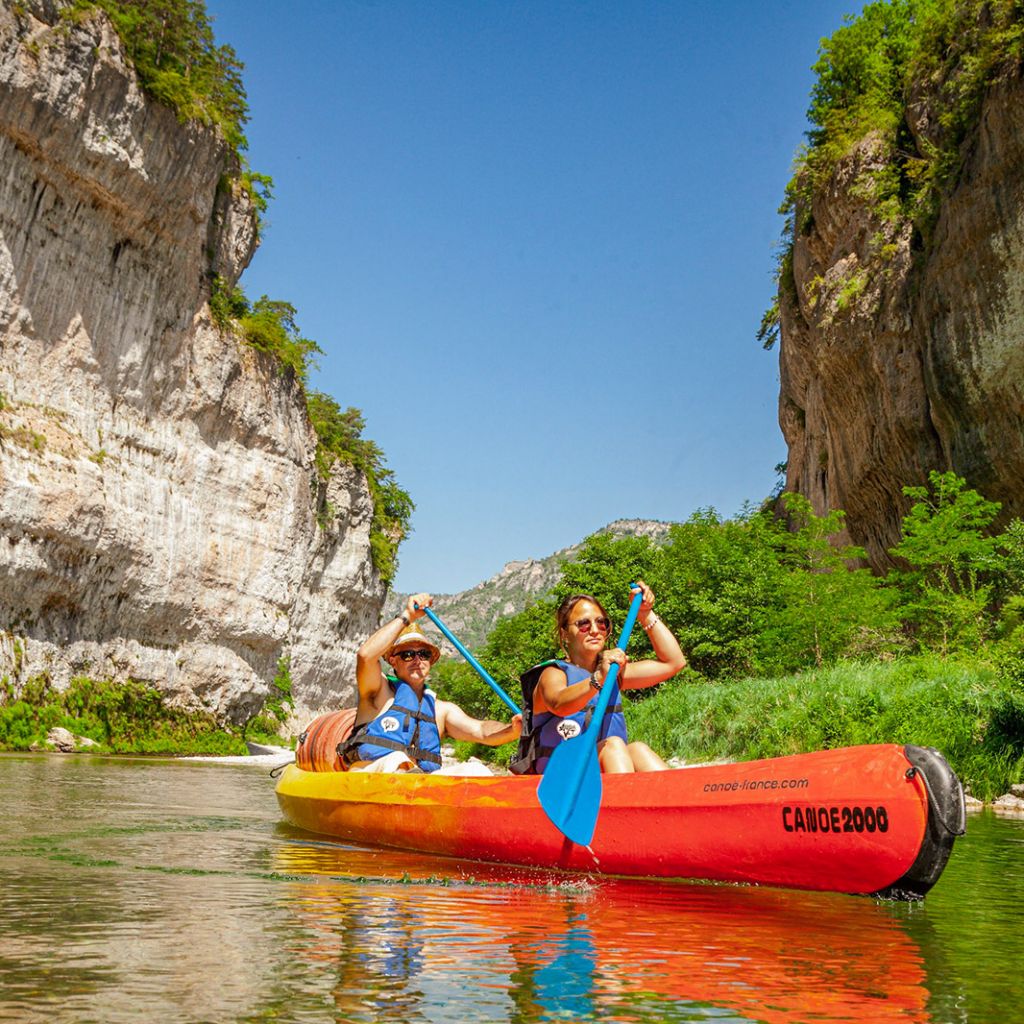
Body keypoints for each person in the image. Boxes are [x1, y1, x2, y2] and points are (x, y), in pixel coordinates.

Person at [514, 581, 686, 774]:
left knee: (638, 750)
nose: (595, 630)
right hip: (557, 780)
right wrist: (598, 678)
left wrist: (645, 614)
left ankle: (683, 802)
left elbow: (673, 663)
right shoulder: (553, 673)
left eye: (601, 622)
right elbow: (559, 704)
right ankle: (624, 802)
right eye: (584, 624)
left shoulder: (612, 673)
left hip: (597, 775)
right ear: (565, 634)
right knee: (612, 747)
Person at [339, 593, 521, 774]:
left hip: (422, 785)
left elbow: (481, 730)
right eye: (408, 654)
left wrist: (512, 729)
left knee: (476, 769)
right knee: (397, 759)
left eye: (424, 654)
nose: (417, 660)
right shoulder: (379, 691)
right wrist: (407, 616)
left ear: (430, 661)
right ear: (393, 661)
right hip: (373, 775)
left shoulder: (441, 710)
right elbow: (365, 656)